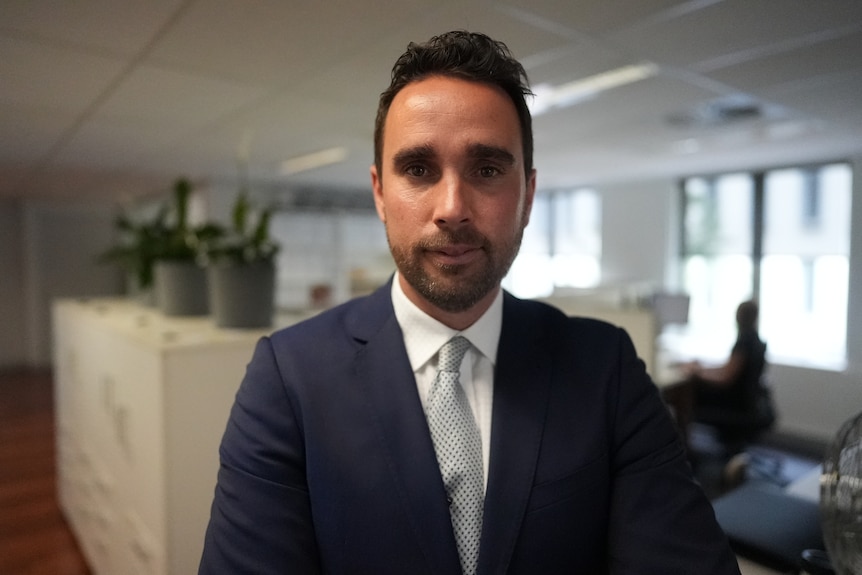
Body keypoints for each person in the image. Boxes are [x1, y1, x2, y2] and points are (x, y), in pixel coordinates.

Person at [198, 31, 740, 574]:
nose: (452, 208)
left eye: (486, 170)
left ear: (527, 196)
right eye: (417, 169)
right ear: (380, 194)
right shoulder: (288, 379)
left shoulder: (604, 368)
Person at [686, 300, 774, 447]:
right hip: (748, 403)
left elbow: (726, 378)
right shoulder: (755, 340)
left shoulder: (744, 342)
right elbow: (728, 369)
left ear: (738, 317)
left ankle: (686, 451)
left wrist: (698, 375)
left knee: (689, 395)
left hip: (735, 406)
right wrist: (702, 369)